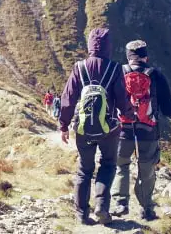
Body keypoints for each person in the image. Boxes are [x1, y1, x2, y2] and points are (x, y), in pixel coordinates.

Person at [59, 28, 134, 225]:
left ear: (90, 45)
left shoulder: (79, 67)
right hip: (109, 129)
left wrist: (64, 125)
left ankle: (82, 214)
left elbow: (67, 98)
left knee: (84, 170)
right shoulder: (115, 68)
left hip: (83, 129)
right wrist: (129, 115)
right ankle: (101, 206)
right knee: (108, 165)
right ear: (109, 46)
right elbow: (121, 99)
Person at [111, 40, 171, 221]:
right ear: (146, 57)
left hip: (123, 129)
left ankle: (120, 203)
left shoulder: (119, 72)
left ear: (128, 56)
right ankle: (146, 209)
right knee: (146, 169)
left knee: (121, 165)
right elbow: (167, 109)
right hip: (148, 130)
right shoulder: (155, 75)